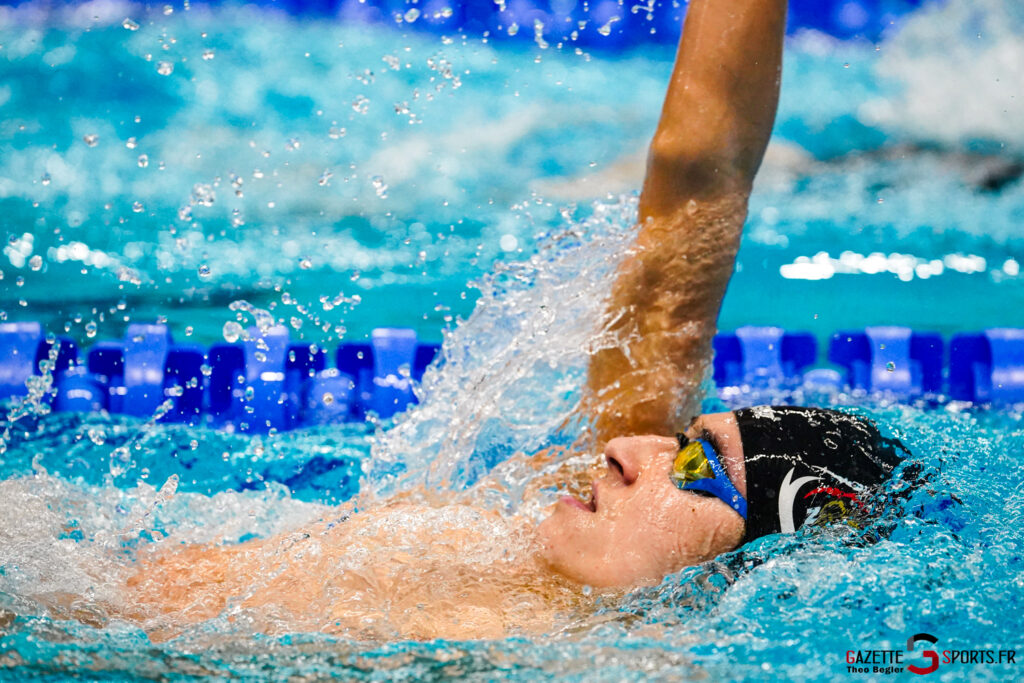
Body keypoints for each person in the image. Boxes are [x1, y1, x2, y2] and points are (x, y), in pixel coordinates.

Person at [115, 0, 906, 641]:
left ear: (761, 573)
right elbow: (698, 169)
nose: (629, 449)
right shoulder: (559, 519)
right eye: (682, 444)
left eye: (697, 470)